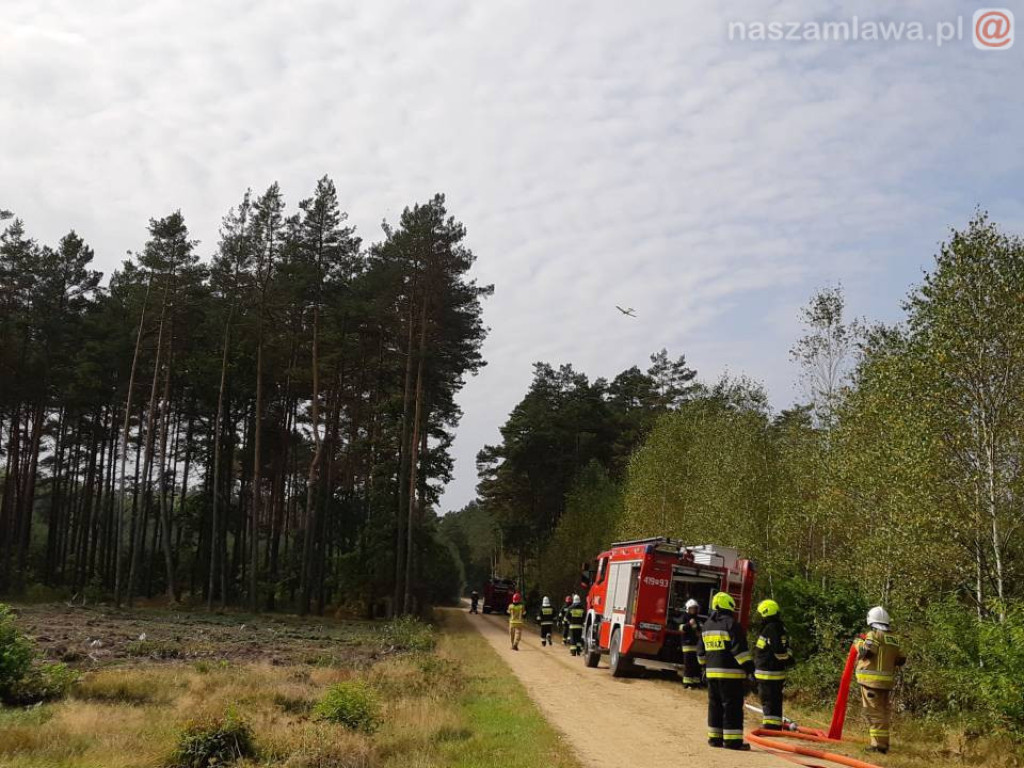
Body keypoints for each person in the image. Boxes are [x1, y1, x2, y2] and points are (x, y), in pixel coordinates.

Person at [698, 591, 755, 751]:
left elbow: (701, 653)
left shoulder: (707, 625)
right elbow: (740, 652)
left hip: (711, 674)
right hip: (731, 675)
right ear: (729, 606)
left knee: (714, 706)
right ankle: (732, 742)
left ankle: (714, 739)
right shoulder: (731, 624)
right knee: (732, 707)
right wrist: (750, 669)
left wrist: (705, 667)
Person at [855, 606, 906, 755]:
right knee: (882, 713)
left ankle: (879, 746)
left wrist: (858, 643)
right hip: (886, 683)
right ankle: (881, 744)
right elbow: (901, 659)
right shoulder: (894, 639)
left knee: (874, 714)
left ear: (871, 620)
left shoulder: (874, 634)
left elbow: (868, 652)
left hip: (871, 683)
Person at [754, 599, 794, 730]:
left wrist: (786, 659)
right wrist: (788, 659)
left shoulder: (771, 628)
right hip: (774, 671)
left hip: (768, 671)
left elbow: (777, 649)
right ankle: (775, 725)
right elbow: (785, 648)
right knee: (775, 699)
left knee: (768, 699)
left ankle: (770, 726)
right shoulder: (778, 627)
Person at [680, 598, 704, 688]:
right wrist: (689, 624)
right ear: (688, 608)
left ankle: (696, 682)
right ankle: (687, 683)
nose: (693, 610)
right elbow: (681, 628)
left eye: (695, 608)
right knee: (688, 665)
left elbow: (699, 631)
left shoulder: (697, 619)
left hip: (696, 645)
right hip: (687, 645)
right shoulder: (684, 617)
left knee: (696, 665)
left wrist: (698, 628)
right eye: (692, 608)